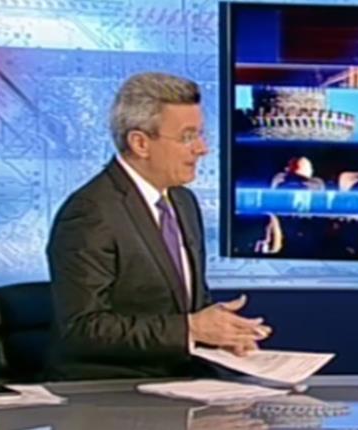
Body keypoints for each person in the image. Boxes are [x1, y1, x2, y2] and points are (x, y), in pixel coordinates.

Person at [46, 72, 271, 380]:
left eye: (200, 134)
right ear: (140, 143)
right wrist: (190, 329)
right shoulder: (90, 213)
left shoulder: (183, 201)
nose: (202, 148)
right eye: (187, 137)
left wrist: (219, 332)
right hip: (112, 390)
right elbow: (83, 328)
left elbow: (185, 307)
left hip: (181, 382)